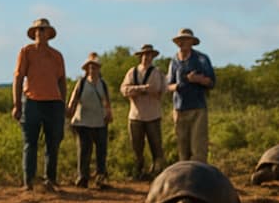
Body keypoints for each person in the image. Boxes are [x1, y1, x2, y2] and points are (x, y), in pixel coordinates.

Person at [13, 17, 67, 191]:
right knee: (30, 143)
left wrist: (63, 103)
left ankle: (50, 180)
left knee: (53, 143)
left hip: (53, 103)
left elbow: (62, 81)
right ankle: (28, 181)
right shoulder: (26, 51)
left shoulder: (57, 56)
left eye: (43, 30)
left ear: (49, 34)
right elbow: (18, 77)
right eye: (38, 30)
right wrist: (16, 104)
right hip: (32, 102)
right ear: (34, 33)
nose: (40, 33)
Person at [166, 27, 214, 163]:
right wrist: (177, 86)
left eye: (185, 40)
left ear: (192, 42)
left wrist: (197, 79)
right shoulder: (174, 61)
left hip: (197, 108)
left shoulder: (201, 59)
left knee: (198, 147)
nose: (182, 43)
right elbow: (168, 85)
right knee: (182, 149)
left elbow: (211, 81)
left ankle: (200, 179)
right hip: (179, 109)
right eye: (180, 40)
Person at [67, 53, 113, 189]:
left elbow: (107, 101)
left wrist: (109, 113)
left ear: (99, 69)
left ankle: (100, 178)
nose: (93, 70)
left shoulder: (102, 84)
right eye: (90, 67)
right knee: (84, 151)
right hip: (82, 122)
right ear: (87, 69)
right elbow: (74, 99)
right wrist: (69, 111)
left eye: (95, 67)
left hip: (100, 121)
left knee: (101, 152)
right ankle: (82, 178)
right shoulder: (81, 83)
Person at [120, 43, 166, 179]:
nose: (147, 57)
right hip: (135, 116)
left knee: (156, 146)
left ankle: (157, 172)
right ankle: (138, 172)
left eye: (149, 55)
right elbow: (124, 90)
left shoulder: (157, 72)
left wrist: (137, 90)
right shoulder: (132, 72)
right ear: (140, 56)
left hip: (153, 115)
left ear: (153, 57)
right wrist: (142, 89)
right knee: (136, 147)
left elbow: (161, 90)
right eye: (145, 55)